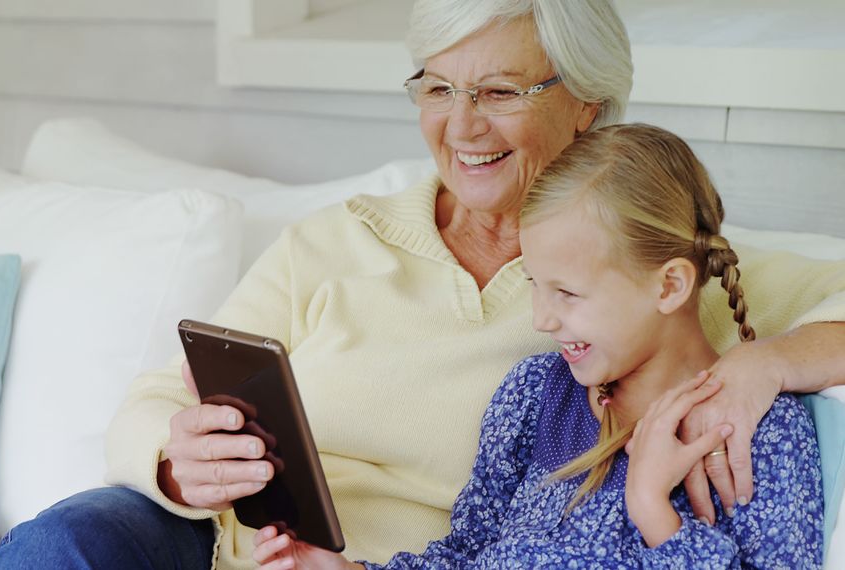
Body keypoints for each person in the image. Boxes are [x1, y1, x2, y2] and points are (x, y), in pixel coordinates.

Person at [0, 1, 845, 568]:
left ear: (587, 100)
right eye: (437, 87)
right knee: (62, 543)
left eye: (498, 90)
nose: (460, 124)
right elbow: (153, 400)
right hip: (224, 547)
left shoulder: (637, 261)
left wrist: (765, 365)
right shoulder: (337, 239)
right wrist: (178, 461)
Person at [250, 123, 823, 569]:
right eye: (535, 287)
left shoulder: (758, 434)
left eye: (568, 293)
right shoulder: (534, 395)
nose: (543, 319)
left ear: (669, 285)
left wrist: (653, 511)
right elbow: (464, 554)